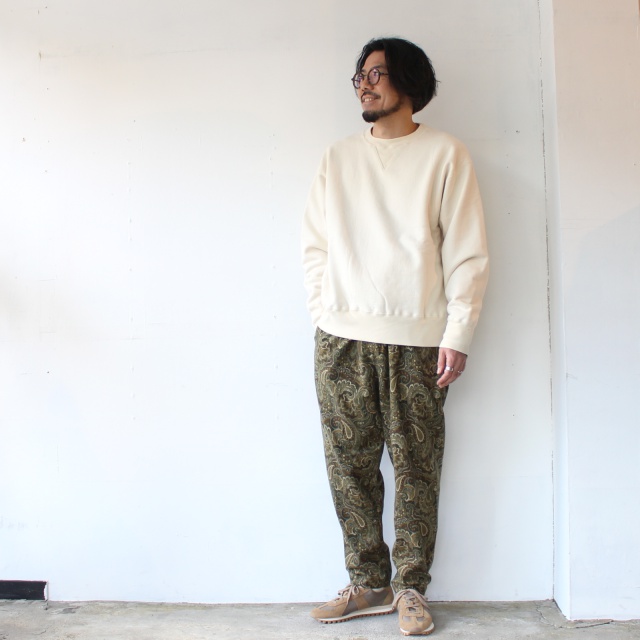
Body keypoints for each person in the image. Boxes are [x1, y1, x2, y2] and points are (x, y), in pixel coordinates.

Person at [301, 37, 489, 636]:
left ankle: (410, 587)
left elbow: (467, 252)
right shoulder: (338, 158)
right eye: (359, 74)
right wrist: (324, 313)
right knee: (348, 466)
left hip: (418, 337)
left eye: (377, 73)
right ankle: (368, 582)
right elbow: (315, 247)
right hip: (341, 336)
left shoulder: (445, 154)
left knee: (416, 468)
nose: (364, 83)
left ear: (409, 80)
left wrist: (458, 332)